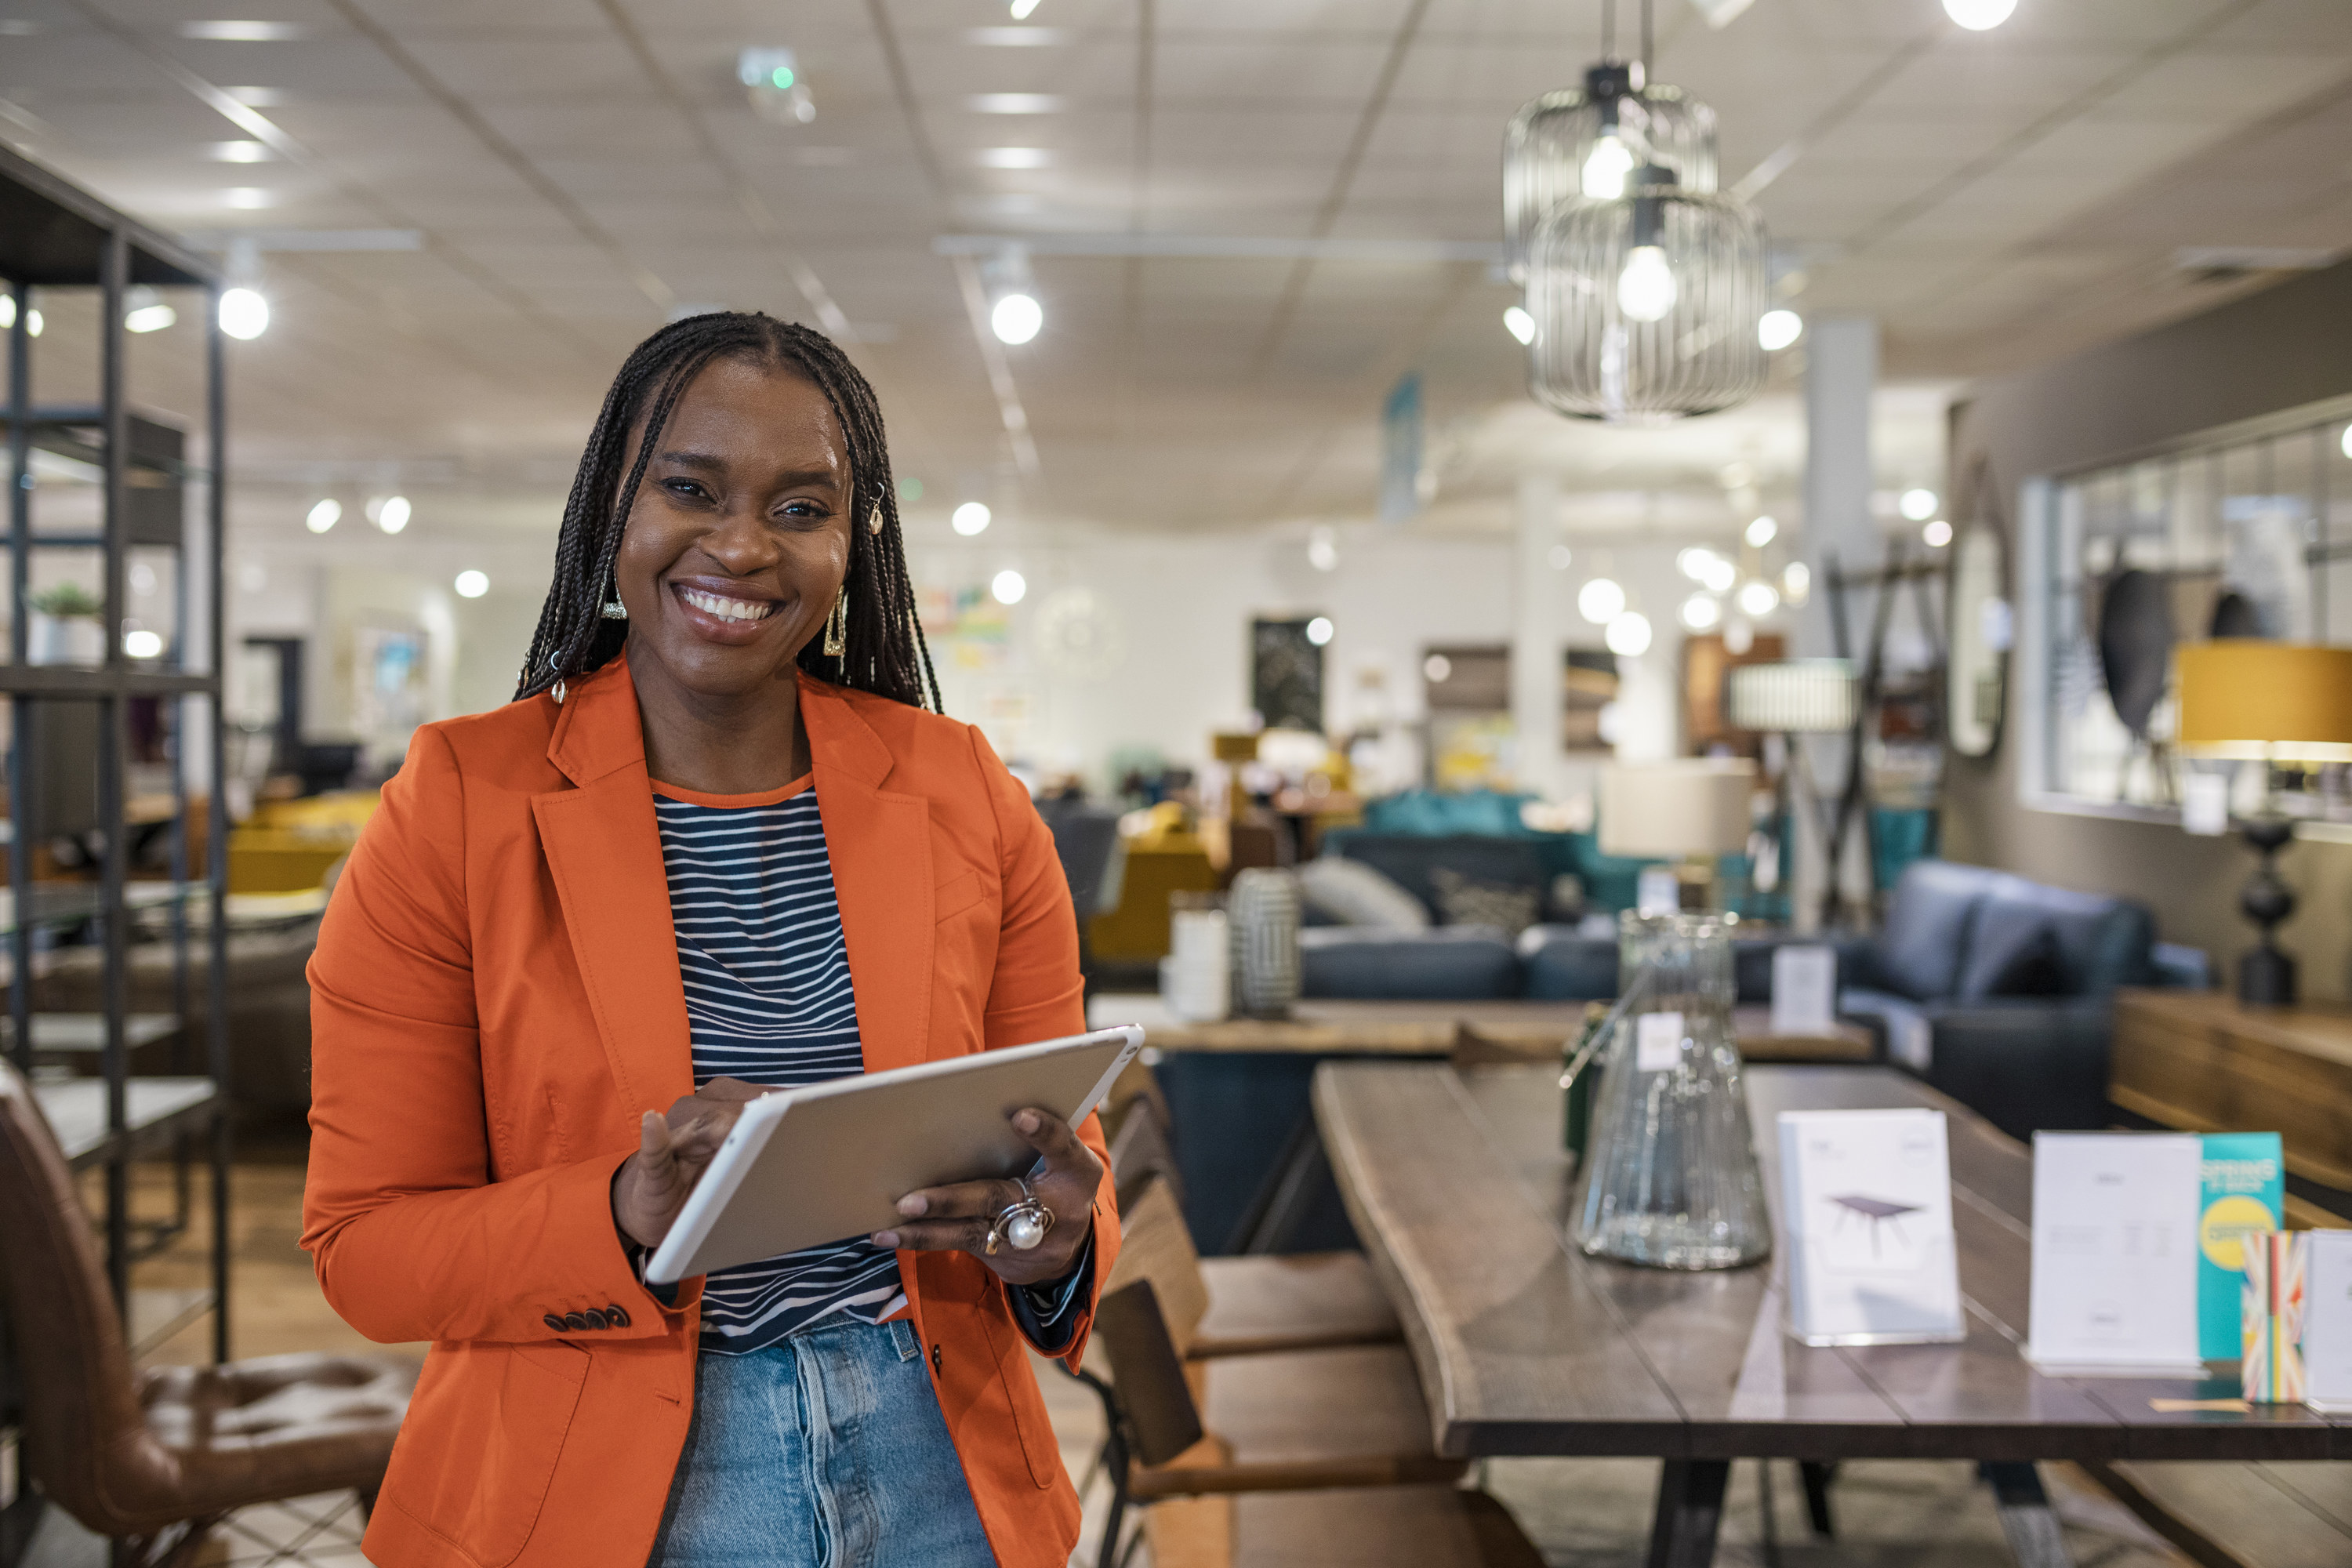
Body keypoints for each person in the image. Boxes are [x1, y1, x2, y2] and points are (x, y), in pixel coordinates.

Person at [301, 313, 1118, 1568]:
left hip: (939, 1462)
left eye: (802, 508)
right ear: (610, 509)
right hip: (598, 1480)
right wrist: (626, 1211)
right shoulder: (458, 802)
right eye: (689, 488)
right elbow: (368, 1248)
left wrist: (1054, 1239)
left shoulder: (963, 792)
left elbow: (1062, 1159)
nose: (741, 545)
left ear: (853, 545)